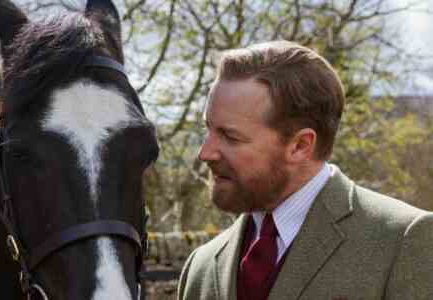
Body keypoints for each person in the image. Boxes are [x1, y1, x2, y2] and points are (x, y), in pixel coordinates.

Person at [177, 41, 433, 300]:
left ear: (300, 145)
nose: (205, 153)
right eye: (207, 130)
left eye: (230, 137)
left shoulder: (404, 241)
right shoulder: (201, 266)